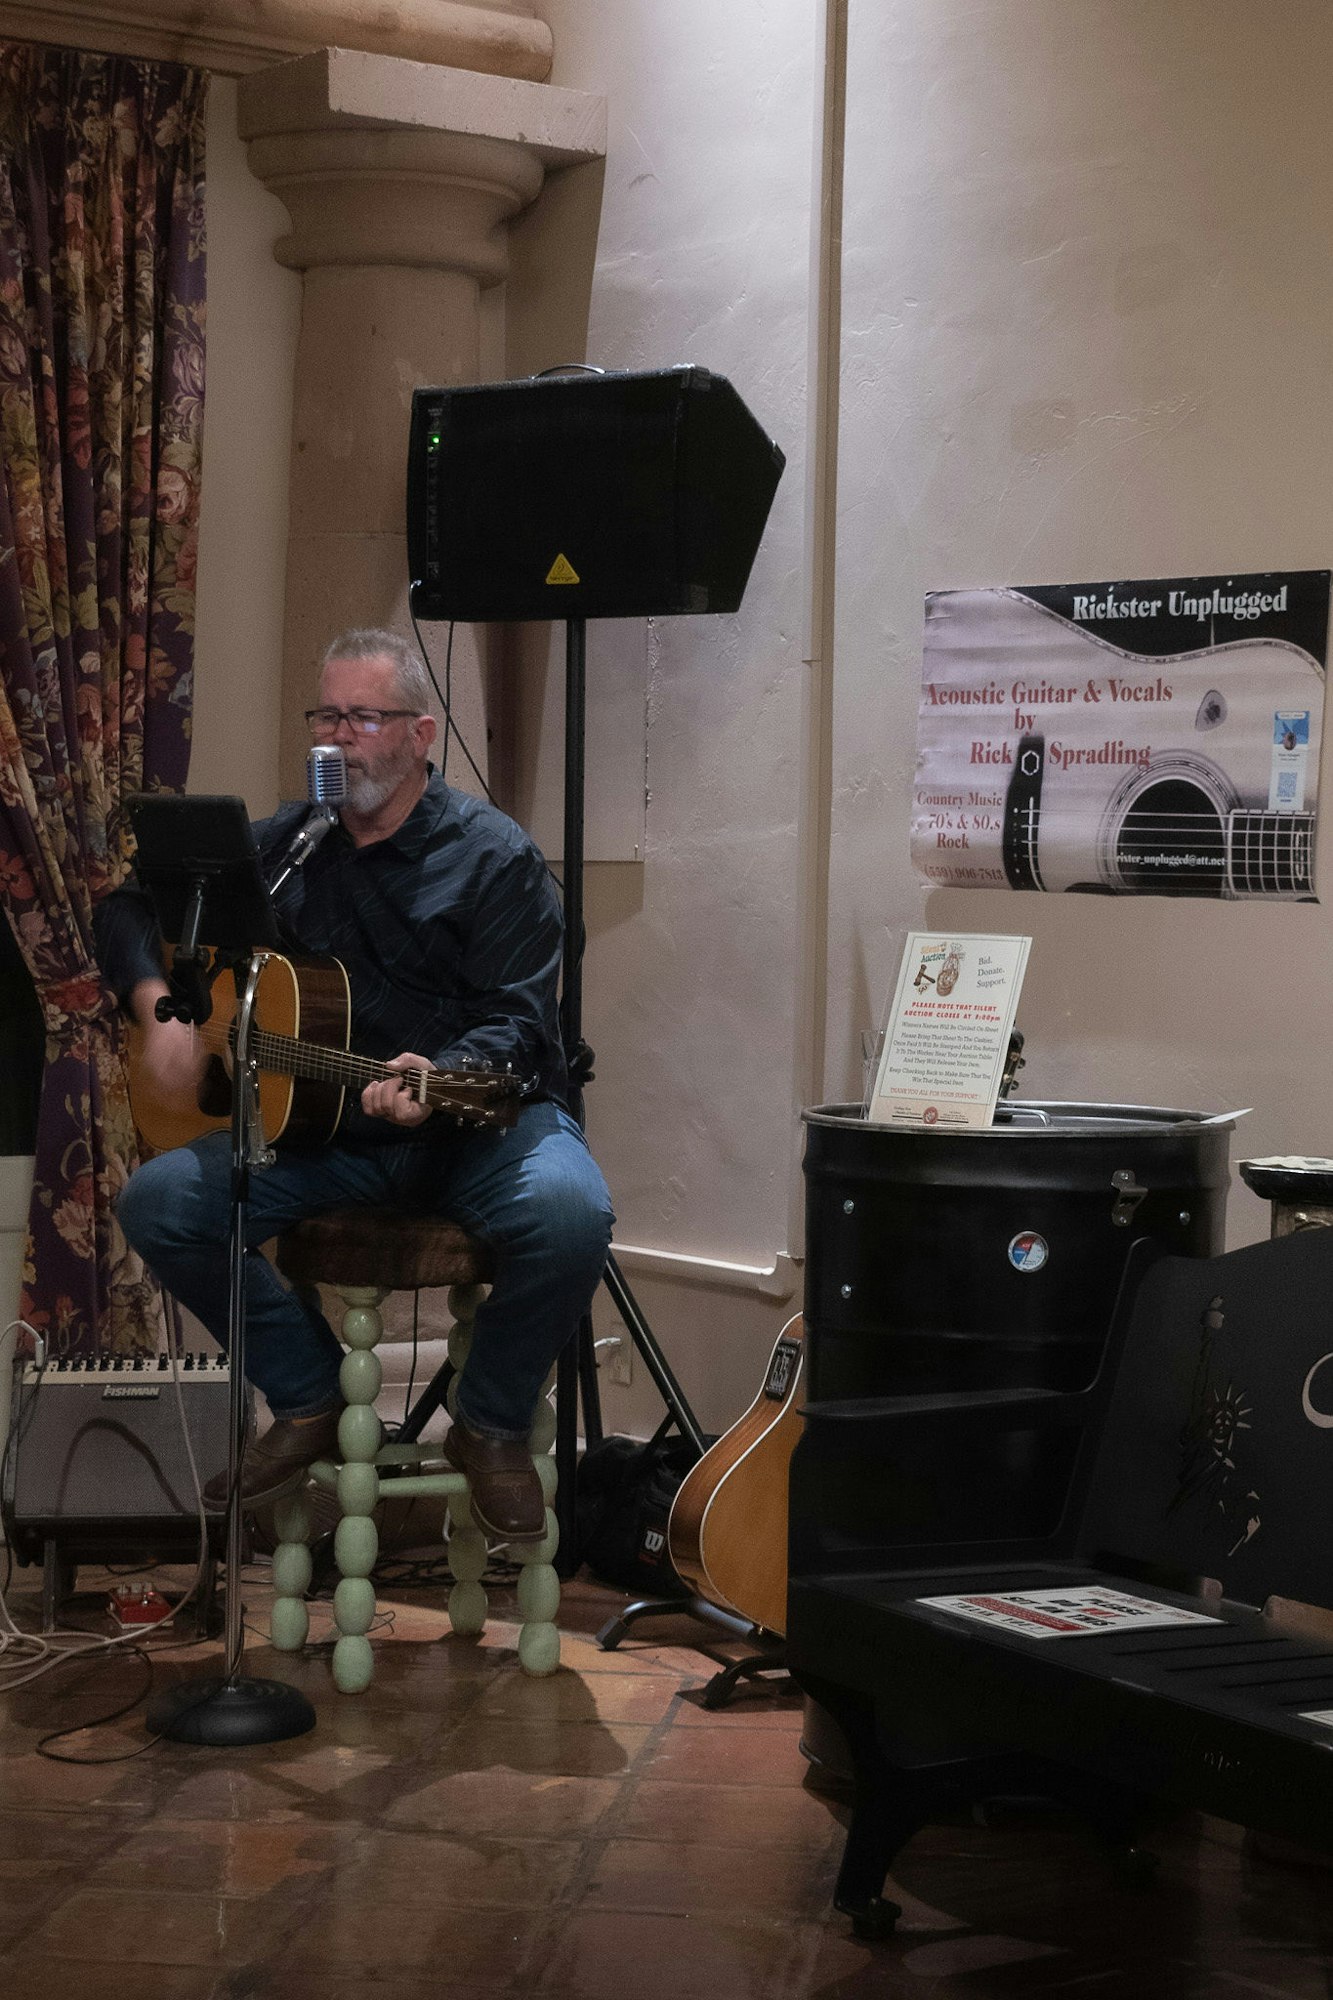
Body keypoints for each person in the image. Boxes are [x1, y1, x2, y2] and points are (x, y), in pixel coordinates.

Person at [95, 628, 614, 1542]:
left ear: (420, 737)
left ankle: (488, 1423)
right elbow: (128, 905)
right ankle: (307, 1393)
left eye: (362, 718)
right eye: (326, 716)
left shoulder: (493, 859)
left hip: (474, 1125)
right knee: (161, 1202)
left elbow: (521, 1021)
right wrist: (153, 1004)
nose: (338, 737)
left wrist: (441, 1074)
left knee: (570, 1213)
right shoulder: (291, 846)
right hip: (328, 1136)